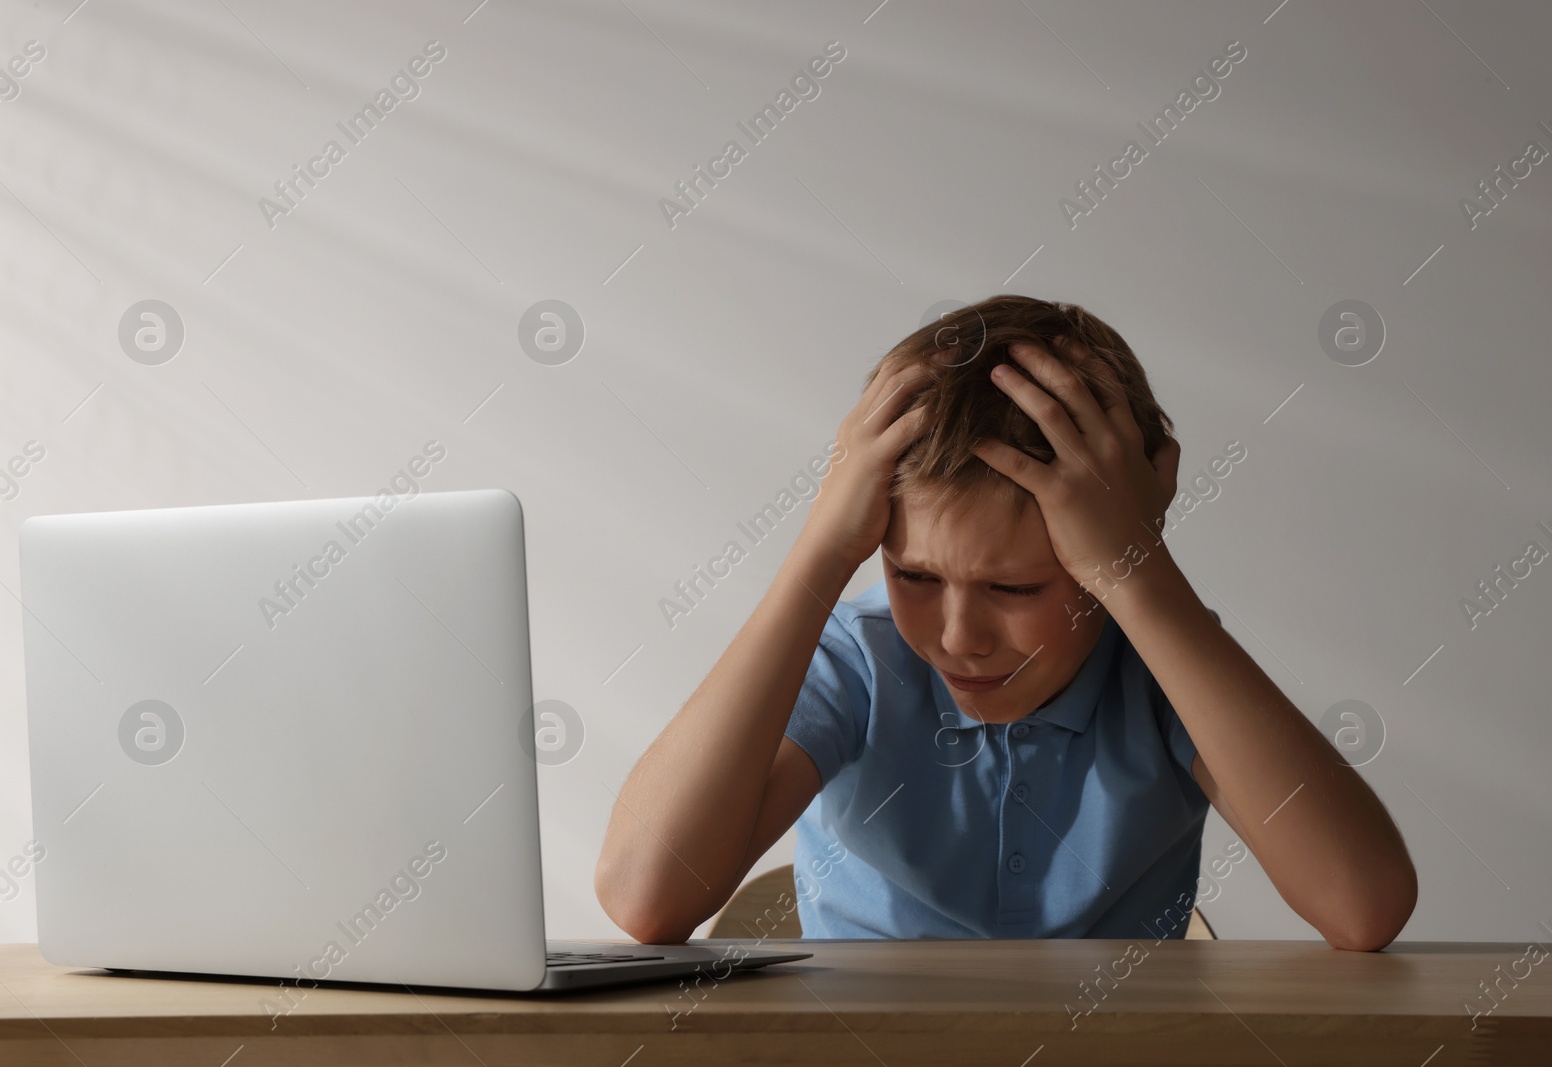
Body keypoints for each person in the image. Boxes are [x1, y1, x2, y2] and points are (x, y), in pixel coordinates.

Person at [595, 295, 1417, 950]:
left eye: (1016, 588)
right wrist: (818, 552)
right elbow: (645, 896)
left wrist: (1141, 572)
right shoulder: (860, 661)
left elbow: (1363, 906)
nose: (957, 636)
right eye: (913, 574)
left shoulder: (1162, 669)